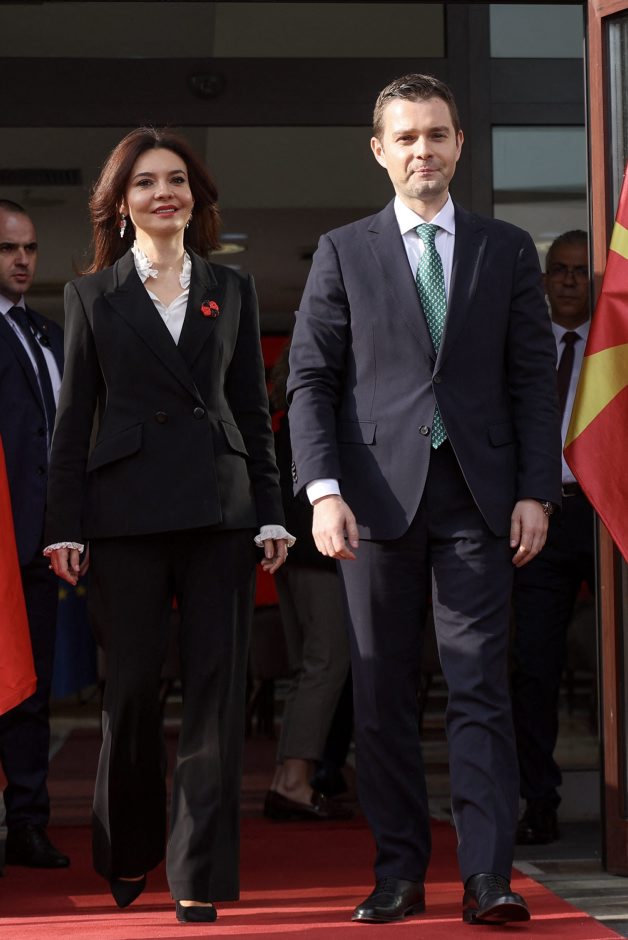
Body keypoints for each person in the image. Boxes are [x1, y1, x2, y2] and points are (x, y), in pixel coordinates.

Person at [287, 73, 562, 926]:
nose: (423, 151)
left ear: (459, 144)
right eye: (406, 137)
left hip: (480, 502)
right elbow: (310, 380)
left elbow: (533, 380)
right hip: (372, 507)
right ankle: (400, 872)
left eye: (437, 134)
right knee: (381, 693)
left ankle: (488, 878)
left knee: (480, 686)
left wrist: (537, 490)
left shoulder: (505, 248)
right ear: (379, 151)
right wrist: (322, 491)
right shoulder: (342, 250)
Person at [44, 128, 291, 924]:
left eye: (176, 180)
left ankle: (198, 872)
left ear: (196, 198)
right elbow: (73, 422)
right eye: (146, 182)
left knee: (216, 697)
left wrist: (272, 511)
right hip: (125, 516)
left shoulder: (232, 287)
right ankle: (128, 845)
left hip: (221, 513)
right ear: (122, 204)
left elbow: (251, 412)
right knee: (130, 691)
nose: (164, 193)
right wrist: (64, 526)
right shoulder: (92, 295)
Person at [511, 230, 595, 845]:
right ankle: (539, 800)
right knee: (534, 665)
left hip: (607, 509)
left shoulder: (616, 346)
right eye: (560, 270)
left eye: (581, 271)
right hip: (543, 511)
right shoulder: (523, 343)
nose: (569, 280)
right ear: (543, 279)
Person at [0, 200, 68, 869]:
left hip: (42, 547)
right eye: (7, 248)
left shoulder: (51, 333)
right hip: (0, 540)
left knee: (33, 690)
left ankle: (27, 822)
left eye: (30, 248)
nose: (22, 260)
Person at [263, 343, 351, 822]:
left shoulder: (280, 423)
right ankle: (295, 779)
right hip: (318, 555)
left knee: (308, 667)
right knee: (325, 664)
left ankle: (287, 778)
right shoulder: (314, 418)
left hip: (293, 554)